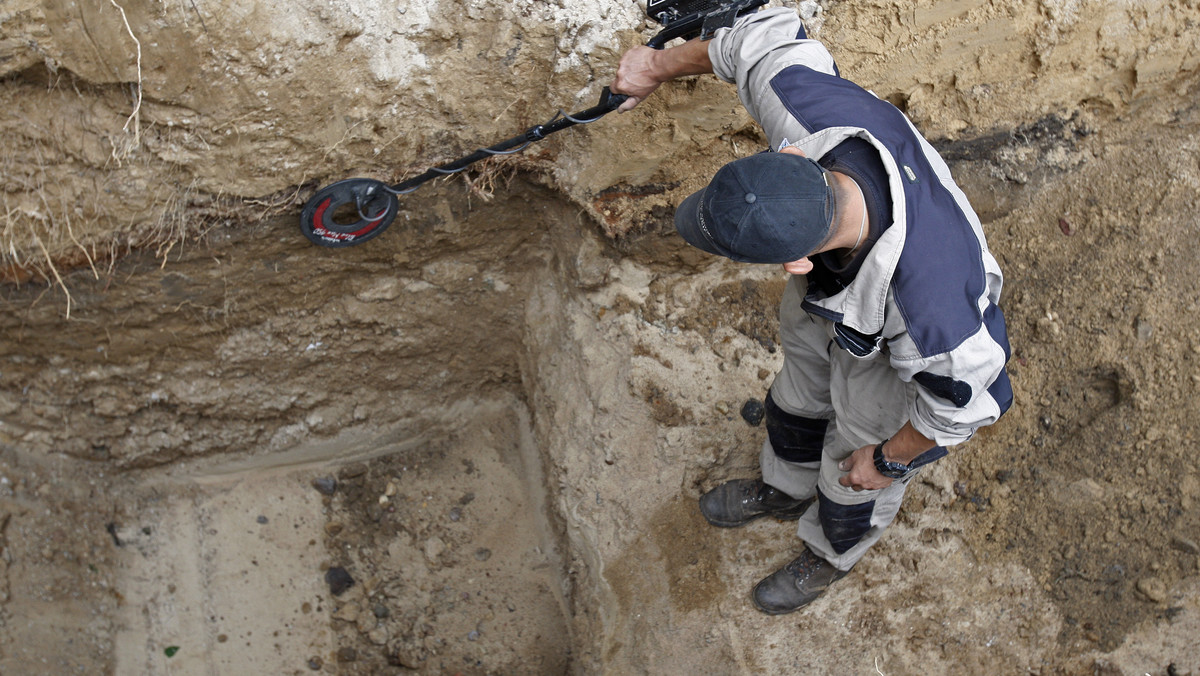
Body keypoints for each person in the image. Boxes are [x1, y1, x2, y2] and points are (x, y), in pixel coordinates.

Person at [611, 6, 1013, 614]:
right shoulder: (809, 115)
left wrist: (885, 461)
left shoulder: (935, 324)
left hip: (892, 326)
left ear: (795, 262)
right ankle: (784, 488)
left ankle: (830, 552)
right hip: (839, 282)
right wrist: (655, 65)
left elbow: (968, 406)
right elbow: (753, 40)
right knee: (800, 390)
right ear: (793, 158)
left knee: (857, 441)